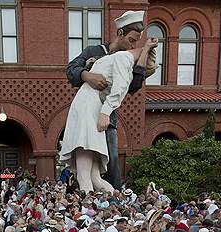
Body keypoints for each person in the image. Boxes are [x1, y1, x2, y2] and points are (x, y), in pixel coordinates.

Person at [60, 36, 157, 193]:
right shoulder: (119, 57)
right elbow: (72, 69)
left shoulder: (123, 58)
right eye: (133, 37)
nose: (134, 43)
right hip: (91, 109)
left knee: (86, 177)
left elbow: (122, 88)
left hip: (89, 108)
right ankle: (117, 204)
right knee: (93, 178)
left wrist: (105, 113)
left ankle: (97, 210)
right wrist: (87, 75)